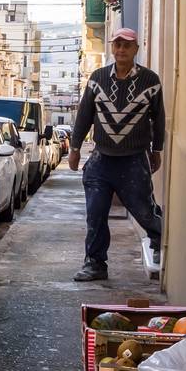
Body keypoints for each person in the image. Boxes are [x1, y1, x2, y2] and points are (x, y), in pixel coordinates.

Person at [68, 28, 164, 282]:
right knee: (95, 213)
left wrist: (157, 150)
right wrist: (75, 148)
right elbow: (85, 115)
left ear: (136, 49)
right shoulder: (97, 78)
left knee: (143, 211)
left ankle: (159, 236)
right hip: (101, 159)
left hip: (134, 159)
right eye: (117, 45)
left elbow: (159, 118)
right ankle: (95, 263)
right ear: (113, 48)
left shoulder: (150, 81)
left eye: (127, 45)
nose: (121, 50)